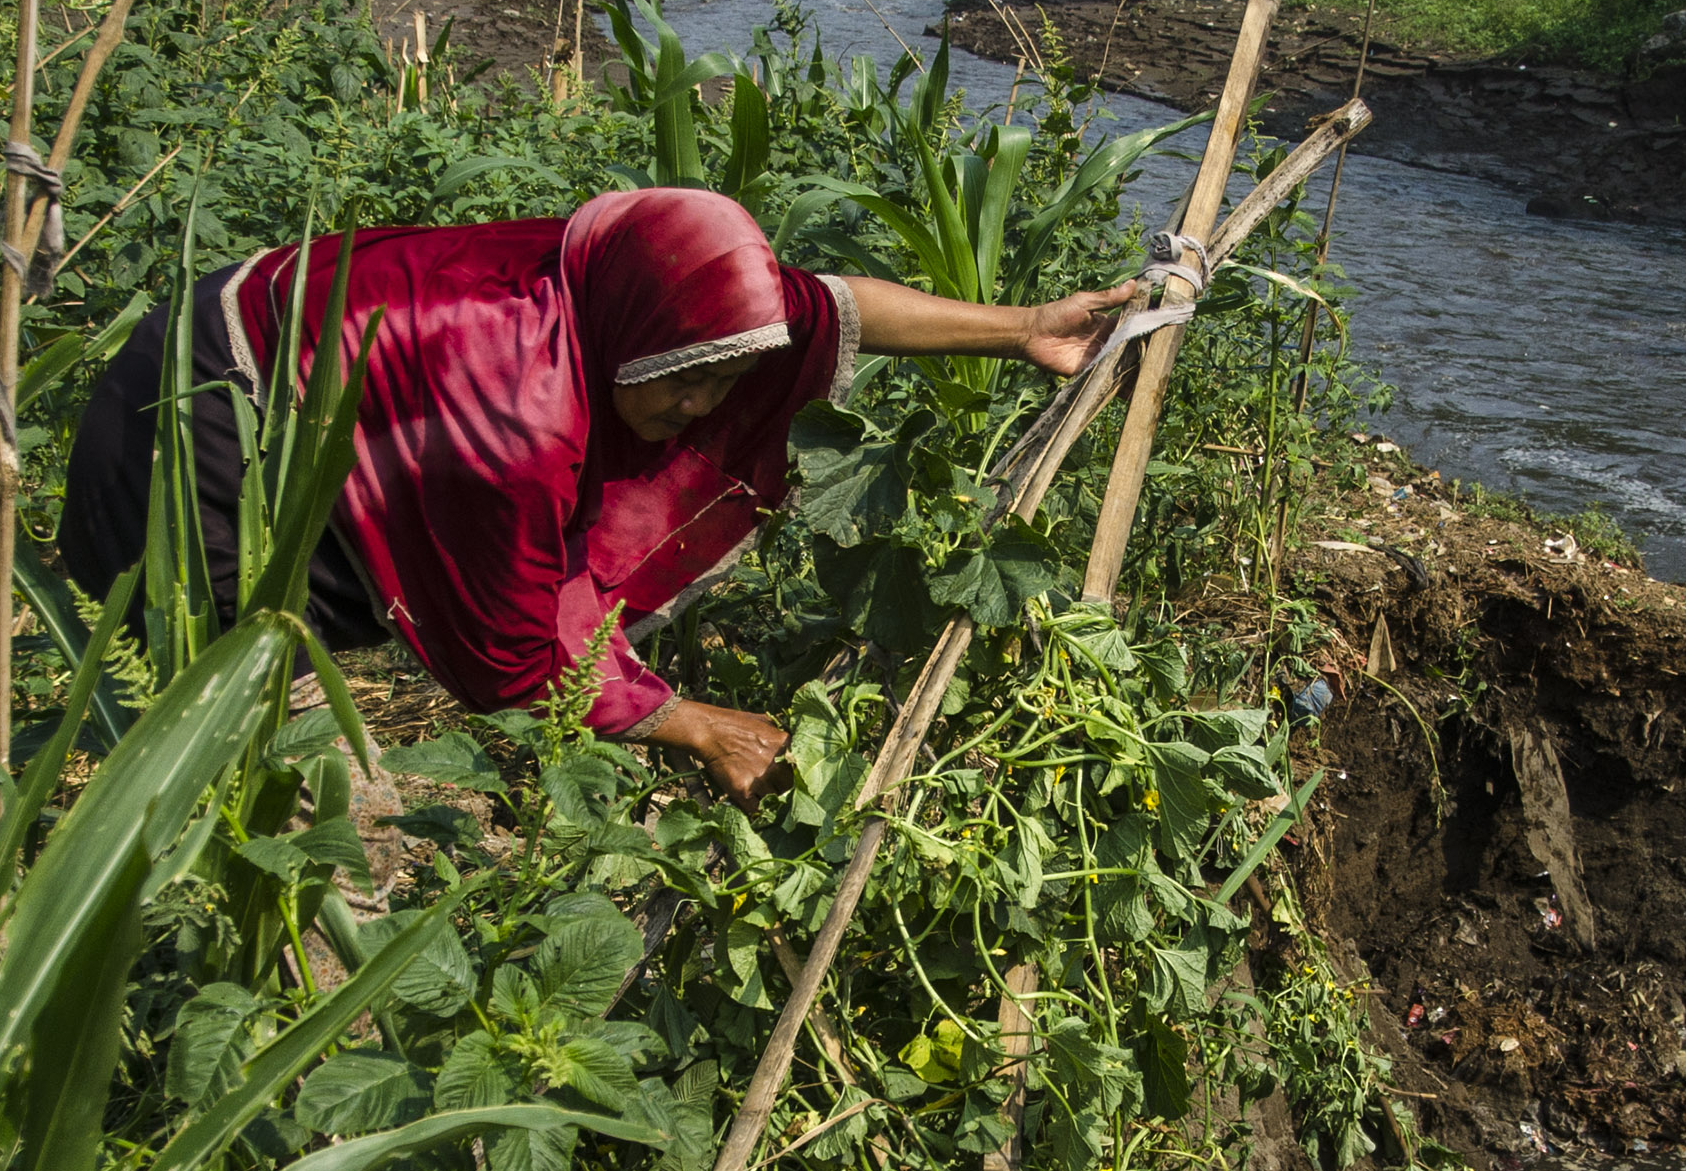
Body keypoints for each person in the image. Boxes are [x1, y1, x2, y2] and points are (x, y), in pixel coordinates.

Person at [56, 187, 1134, 802]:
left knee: (367, 583)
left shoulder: (630, 285)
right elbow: (513, 657)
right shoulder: (519, 423)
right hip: (208, 412)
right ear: (630, 331)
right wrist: (698, 726)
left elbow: (829, 307)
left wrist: (1024, 324)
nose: (704, 404)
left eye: (727, 375)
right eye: (686, 376)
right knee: (213, 660)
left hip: (333, 348)